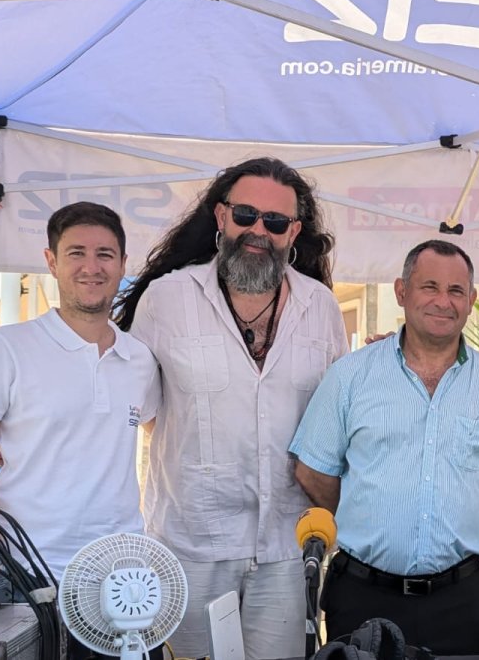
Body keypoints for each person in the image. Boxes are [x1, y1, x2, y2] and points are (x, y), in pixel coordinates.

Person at [115, 157, 348, 660]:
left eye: (276, 221)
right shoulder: (166, 298)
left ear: (294, 232)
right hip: (190, 545)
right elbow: (138, 411)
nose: (258, 230)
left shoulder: (321, 307)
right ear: (221, 216)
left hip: (288, 547)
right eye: (246, 215)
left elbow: (338, 419)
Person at [289, 240, 479, 655]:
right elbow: (312, 470)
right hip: (363, 596)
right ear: (402, 292)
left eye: (456, 291)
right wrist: (364, 516)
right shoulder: (350, 376)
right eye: (429, 287)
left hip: (459, 601)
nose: (443, 301)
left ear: (471, 300)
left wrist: (458, 519)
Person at [0, 203, 160, 657]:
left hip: (123, 583)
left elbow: (158, 431)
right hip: (30, 581)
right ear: (51, 262)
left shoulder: (140, 359)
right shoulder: (6, 347)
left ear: (123, 264)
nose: (91, 267)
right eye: (76, 253)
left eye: (105, 254)